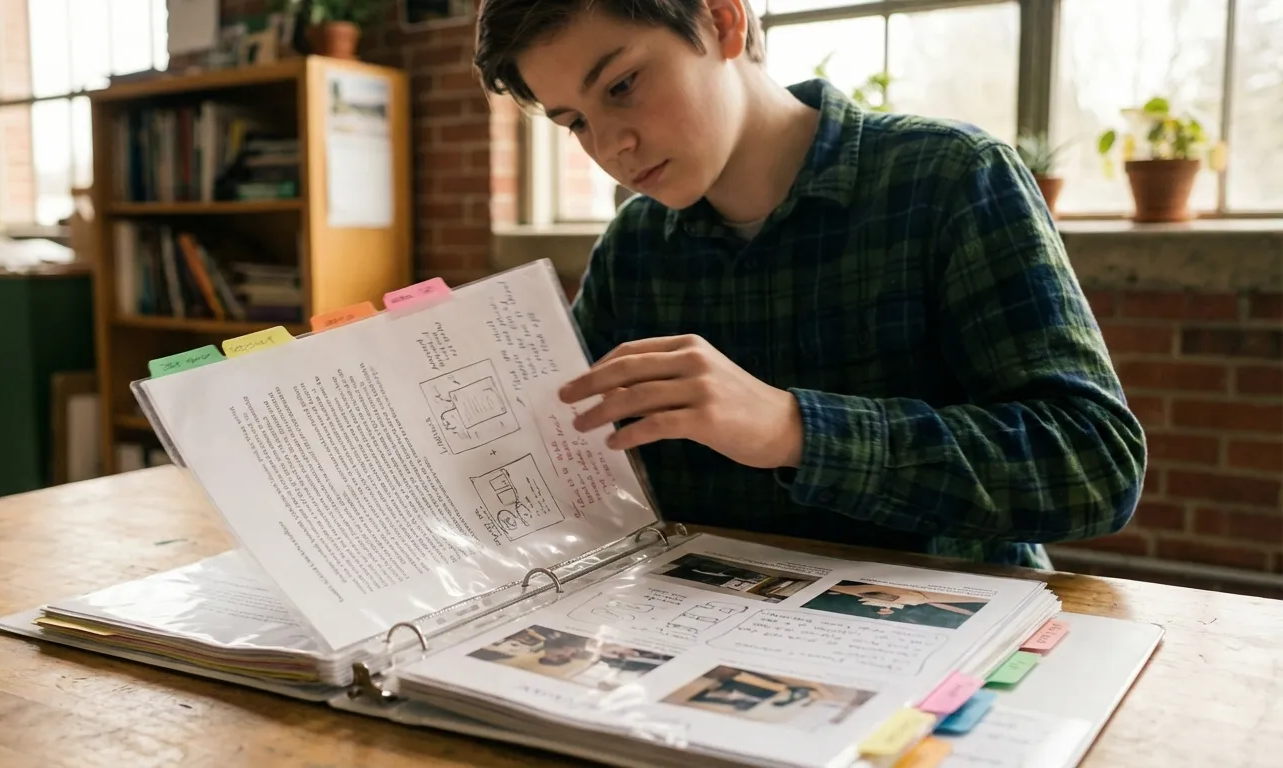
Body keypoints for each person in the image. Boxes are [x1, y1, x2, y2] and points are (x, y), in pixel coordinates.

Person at [472, 0, 1145, 569]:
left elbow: (1096, 466)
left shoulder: (950, 179)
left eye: (621, 85)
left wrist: (795, 429)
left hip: (945, 653)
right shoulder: (633, 248)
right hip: (700, 655)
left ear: (722, 21)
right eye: (575, 121)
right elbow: (576, 464)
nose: (609, 146)